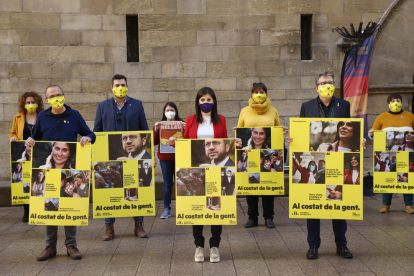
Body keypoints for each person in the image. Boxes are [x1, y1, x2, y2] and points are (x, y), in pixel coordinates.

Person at [25, 85, 95, 261]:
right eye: (52, 96)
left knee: (70, 207)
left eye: (58, 95)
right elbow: (36, 138)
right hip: (50, 172)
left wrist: (87, 138)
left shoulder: (75, 115)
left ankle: (71, 246)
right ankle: (50, 246)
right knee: (50, 207)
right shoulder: (42, 117)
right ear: (47, 100)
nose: (56, 98)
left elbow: (90, 133)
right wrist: (31, 141)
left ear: (64, 96)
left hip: (71, 170)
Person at [295, 71, 353, 259]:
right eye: (323, 83)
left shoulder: (344, 105)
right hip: (317, 159)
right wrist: (293, 141)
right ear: (316, 87)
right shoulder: (307, 106)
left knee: (338, 201)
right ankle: (313, 245)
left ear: (334, 85)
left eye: (330, 82)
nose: (326, 85)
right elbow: (302, 133)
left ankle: (341, 244)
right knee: (313, 205)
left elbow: (351, 129)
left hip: (337, 160)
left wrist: (357, 142)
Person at [173, 87, 228, 263]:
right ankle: (198, 246)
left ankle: (214, 246)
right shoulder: (190, 121)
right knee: (196, 209)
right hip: (196, 170)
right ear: (198, 102)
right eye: (203, 100)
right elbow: (186, 145)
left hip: (216, 171)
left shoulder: (221, 120)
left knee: (215, 208)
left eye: (209, 100)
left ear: (214, 102)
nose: (206, 103)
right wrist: (176, 143)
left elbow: (226, 143)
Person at [94, 74, 149, 241]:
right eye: (117, 85)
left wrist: (148, 156)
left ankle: (139, 224)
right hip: (110, 155)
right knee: (110, 189)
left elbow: (144, 130)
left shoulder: (137, 105)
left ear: (127, 86)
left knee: (135, 187)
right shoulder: (102, 106)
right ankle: (109, 226)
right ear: (111, 88)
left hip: (132, 155)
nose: (120, 87)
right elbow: (97, 131)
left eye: (123, 84)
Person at [237, 82, 284, 230]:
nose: (259, 94)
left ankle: (269, 217)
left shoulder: (273, 111)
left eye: (262, 91)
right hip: (250, 154)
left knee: (268, 186)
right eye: (256, 91)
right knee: (251, 187)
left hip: (268, 154)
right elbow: (239, 129)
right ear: (252, 94)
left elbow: (277, 131)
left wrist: (283, 132)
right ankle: (252, 217)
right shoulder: (244, 111)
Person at [369, 93, 414, 214]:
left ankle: (409, 205)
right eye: (393, 101)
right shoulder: (382, 117)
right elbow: (373, 132)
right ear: (389, 104)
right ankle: (386, 205)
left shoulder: (410, 116)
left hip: (408, 154)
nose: (396, 103)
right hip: (389, 153)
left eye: (398, 100)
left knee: (407, 179)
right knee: (387, 179)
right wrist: (371, 133)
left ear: (402, 102)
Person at [9, 91, 44, 222]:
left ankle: (39, 209)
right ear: (23, 104)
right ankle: (27, 210)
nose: (30, 104)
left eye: (33, 102)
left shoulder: (43, 116)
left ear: (38, 103)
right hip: (24, 155)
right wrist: (13, 138)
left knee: (38, 180)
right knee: (26, 182)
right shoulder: (18, 118)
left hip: (39, 154)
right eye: (28, 102)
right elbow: (12, 133)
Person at [153, 102, 185, 219]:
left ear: (176, 111)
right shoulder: (160, 125)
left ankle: (183, 208)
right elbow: (154, 141)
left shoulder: (182, 124)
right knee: (167, 183)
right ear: (164, 112)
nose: (170, 112)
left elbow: (188, 139)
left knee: (181, 183)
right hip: (165, 159)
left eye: (172, 110)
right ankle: (167, 209)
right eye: (167, 110)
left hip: (180, 158)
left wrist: (185, 129)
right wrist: (156, 130)